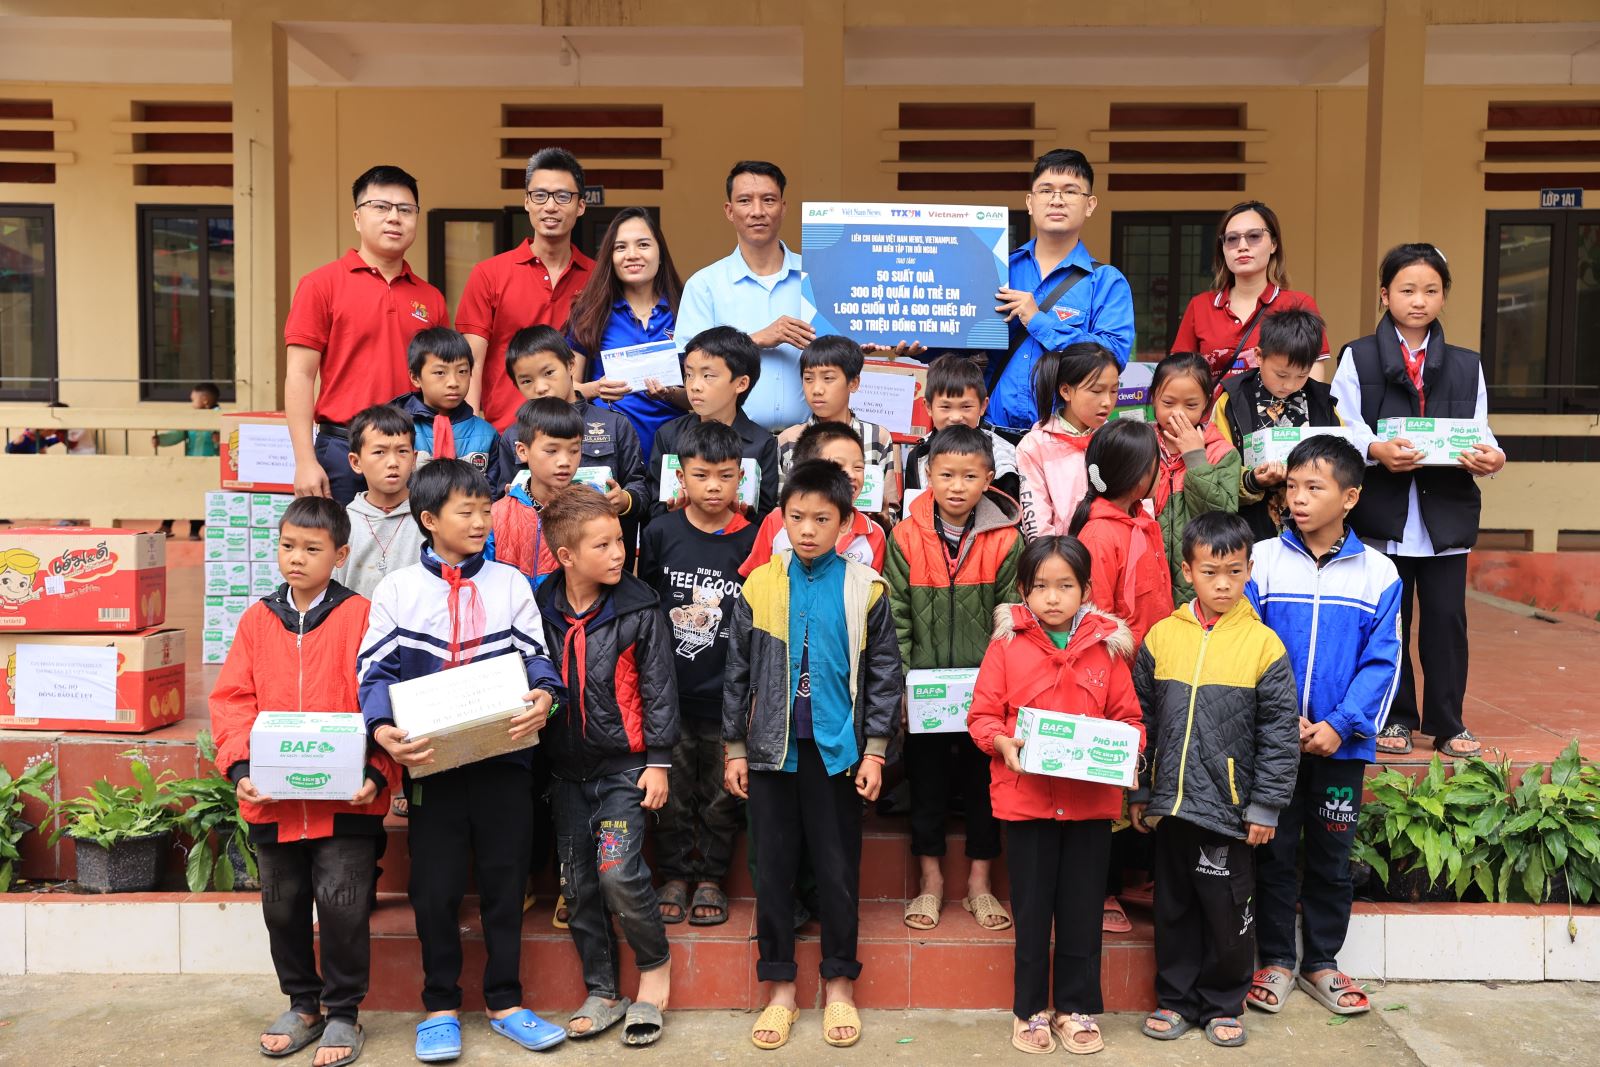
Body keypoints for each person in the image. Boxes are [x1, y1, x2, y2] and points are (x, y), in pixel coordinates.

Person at [358, 459, 566, 1060]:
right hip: (432, 767)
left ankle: (506, 1001)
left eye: (485, 509)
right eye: (465, 512)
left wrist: (545, 698)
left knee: (505, 885)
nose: (481, 521)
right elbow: (375, 672)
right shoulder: (398, 589)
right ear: (429, 520)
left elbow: (537, 659)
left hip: (505, 763)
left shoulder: (509, 584)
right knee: (435, 889)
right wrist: (384, 730)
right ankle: (440, 1005)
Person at [210, 496, 396, 1067]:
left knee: (342, 907)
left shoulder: (362, 615)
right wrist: (241, 769)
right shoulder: (257, 619)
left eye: (312, 550)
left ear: (340, 555)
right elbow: (233, 700)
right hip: (275, 801)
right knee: (282, 907)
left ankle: (343, 1012)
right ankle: (303, 1002)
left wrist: (375, 771)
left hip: (346, 801)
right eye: (288, 546)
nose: (297, 559)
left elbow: (383, 696)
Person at [723, 460, 901, 1051]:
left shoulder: (865, 588)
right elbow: (737, 676)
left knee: (837, 873)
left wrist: (874, 752)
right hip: (773, 754)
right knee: (772, 872)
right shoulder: (760, 585)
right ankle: (779, 989)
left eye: (822, 519)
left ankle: (839, 983)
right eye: (796, 517)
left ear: (846, 523)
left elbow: (883, 678)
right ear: (780, 518)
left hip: (837, 754)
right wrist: (734, 748)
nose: (807, 529)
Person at [966, 536, 1144, 1056]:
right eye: (1040, 586)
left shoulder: (1108, 649)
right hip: (1026, 801)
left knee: (1083, 908)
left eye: (1065, 586)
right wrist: (1002, 741)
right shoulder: (1006, 646)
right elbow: (981, 716)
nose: (1052, 597)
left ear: (1086, 590)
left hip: (1090, 805)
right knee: (1034, 907)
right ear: (1023, 591)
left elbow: (1129, 719)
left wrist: (1127, 753)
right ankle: (1029, 1010)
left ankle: (1075, 1006)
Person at [1244, 436, 1402, 1021]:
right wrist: (1282, 723)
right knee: (1277, 851)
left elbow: (1382, 664)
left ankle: (1323, 964)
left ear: (1351, 497)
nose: (1299, 499)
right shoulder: (1261, 560)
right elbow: (1250, 646)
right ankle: (1278, 959)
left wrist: (1341, 725)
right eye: (1292, 487)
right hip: (1277, 745)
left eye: (1315, 488)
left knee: (1333, 854)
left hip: (1340, 746)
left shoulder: (1379, 574)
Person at [1130, 511, 1301, 1050]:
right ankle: (1175, 1000)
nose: (1222, 584)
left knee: (1228, 912)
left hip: (1229, 813)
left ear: (1250, 569)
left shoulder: (1264, 646)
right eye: (1210, 572)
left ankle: (1224, 1002)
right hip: (1170, 807)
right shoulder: (1160, 638)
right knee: (1173, 906)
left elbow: (1279, 736)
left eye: (1233, 571)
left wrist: (1265, 807)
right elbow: (1142, 721)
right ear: (1187, 572)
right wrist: (1139, 790)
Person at [1331, 243, 1505, 761]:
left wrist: (1492, 457)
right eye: (1407, 290)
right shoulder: (1357, 356)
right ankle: (1396, 717)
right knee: (1390, 620)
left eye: (1431, 290)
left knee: (1447, 623)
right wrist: (1375, 450)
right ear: (1385, 295)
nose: (1418, 300)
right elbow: (1344, 426)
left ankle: (1449, 723)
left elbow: (1480, 430)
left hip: (1444, 517)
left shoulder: (1465, 364)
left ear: (1443, 297)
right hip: (1382, 512)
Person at [535, 488, 677, 1047]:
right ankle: (601, 989)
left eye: (619, 540)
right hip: (565, 771)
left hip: (626, 769)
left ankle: (654, 966)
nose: (619, 552)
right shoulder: (538, 605)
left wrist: (659, 762)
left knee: (617, 872)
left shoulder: (640, 607)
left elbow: (659, 690)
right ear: (566, 556)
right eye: (603, 545)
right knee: (579, 883)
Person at [885, 425, 1022, 934]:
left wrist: (1000, 689)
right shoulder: (904, 535)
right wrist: (901, 683)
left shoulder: (1007, 539)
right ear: (928, 475)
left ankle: (980, 883)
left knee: (984, 785)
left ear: (989, 478)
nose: (958, 486)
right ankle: (931, 880)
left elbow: (1012, 617)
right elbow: (896, 614)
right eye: (946, 475)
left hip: (986, 693)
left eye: (970, 476)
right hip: (925, 694)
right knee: (928, 784)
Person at [638, 420, 759, 927]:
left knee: (719, 793)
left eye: (725, 476)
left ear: (741, 479)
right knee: (672, 787)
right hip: (672, 694)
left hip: (727, 694)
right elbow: (645, 606)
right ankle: (672, 874)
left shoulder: (752, 537)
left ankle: (710, 875)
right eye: (702, 475)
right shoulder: (661, 532)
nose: (713, 487)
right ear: (680, 477)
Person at [286, 165, 448, 504]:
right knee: (342, 553)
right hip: (343, 449)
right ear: (358, 218)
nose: (394, 218)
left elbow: (441, 381)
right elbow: (300, 375)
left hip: (412, 451)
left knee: (412, 554)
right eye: (381, 207)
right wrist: (304, 461)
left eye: (405, 210)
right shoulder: (320, 285)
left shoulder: (431, 298)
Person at [989, 149, 1135, 435]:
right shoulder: (998, 270)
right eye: (1046, 190)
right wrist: (923, 348)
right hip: (991, 437)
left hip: (1066, 442)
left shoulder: (1106, 282)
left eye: (1070, 191)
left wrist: (1038, 320)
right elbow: (967, 341)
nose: (1056, 199)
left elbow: (1112, 356)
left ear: (1090, 205)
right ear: (1030, 202)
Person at [457, 147, 594, 431]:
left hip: (575, 435)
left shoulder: (598, 278)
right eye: (540, 195)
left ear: (580, 205)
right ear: (527, 202)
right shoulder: (489, 274)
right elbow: (472, 362)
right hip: (504, 432)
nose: (551, 206)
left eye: (563, 196)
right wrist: (469, 432)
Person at [675, 161, 813, 431]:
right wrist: (755, 340)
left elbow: (842, 350)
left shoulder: (816, 278)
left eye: (769, 200)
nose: (757, 211)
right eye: (745, 201)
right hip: (730, 441)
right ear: (729, 210)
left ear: (783, 208)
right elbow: (690, 366)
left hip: (807, 440)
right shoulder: (704, 285)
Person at [500, 325, 647, 569]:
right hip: (535, 562)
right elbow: (500, 497)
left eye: (548, 372)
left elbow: (640, 486)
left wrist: (625, 500)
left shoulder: (614, 424)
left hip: (601, 564)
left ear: (570, 365)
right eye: (527, 380)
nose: (540, 387)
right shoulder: (514, 436)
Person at [565, 206, 689, 459]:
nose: (631, 255)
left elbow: (704, 397)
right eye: (620, 247)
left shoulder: (686, 308)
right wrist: (596, 389)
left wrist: (670, 393)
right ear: (610, 257)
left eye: (643, 244)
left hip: (675, 449)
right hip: (607, 448)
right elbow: (567, 389)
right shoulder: (590, 312)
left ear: (660, 253)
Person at [1212, 308, 1345, 541]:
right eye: (1281, 375)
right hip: (1248, 531)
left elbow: (1346, 462)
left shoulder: (1322, 403)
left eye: (1301, 375)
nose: (1290, 385)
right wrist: (1253, 480)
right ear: (1259, 355)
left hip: (1312, 532)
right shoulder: (1233, 400)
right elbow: (1217, 469)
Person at [1172, 201, 1331, 394]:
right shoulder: (1200, 305)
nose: (1242, 246)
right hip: (1212, 422)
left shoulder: (1298, 304)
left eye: (1254, 236)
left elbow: (1312, 373)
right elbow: (1179, 374)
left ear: (1274, 244)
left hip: (1276, 422)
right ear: (1222, 248)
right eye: (1231, 239)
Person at [647, 326, 779, 522]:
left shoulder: (762, 443)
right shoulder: (668, 435)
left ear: (741, 383)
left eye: (708, 376)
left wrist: (740, 516)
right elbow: (653, 506)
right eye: (689, 375)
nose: (694, 386)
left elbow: (765, 517)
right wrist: (671, 512)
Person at [1069, 419, 1173, 645]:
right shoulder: (1099, 536)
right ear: (1137, 476)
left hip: (1154, 659)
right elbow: (1097, 621)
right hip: (1124, 668)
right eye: (1157, 464)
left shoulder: (1141, 521)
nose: (1162, 471)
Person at [776, 335, 901, 521]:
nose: (817, 389)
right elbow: (781, 507)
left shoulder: (878, 437)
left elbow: (891, 509)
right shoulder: (789, 439)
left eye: (828, 378)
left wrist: (883, 518)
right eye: (808, 378)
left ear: (853, 383)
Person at [1147, 353, 1240, 603]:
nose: (1178, 414)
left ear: (1206, 405)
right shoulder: (1139, 447)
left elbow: (1222, 517)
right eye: (1168, 403)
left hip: (1196, 586)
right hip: (1146, 579)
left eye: (1190, 406)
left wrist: (1196, 459)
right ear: (1153, 397)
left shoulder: (1221, 453)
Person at [741, 422, 886, 576]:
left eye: (858, 467)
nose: (851, 475)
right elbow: (754, 579)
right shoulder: (776, 520)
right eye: (838, 465)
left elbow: (873, 593)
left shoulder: (873, 534)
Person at [1015, 342, 1121, 539]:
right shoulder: (1035, 446)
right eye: (1097, 391)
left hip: (1116, 556)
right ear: (1066, 391)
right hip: (1061, 561)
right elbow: (1036, 521)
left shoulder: (1118, 439)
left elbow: (1140, 504)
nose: (1107, 401)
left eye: (1114, 390)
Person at [396, 326, 513, 492]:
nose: (453, 382)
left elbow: (492, 493)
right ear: (415, 377)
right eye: (440, 372)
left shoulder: (487, 434)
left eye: (462, 371)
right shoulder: (398, 428)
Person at [333, 404, 424, 600]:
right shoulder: (341, 524)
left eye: (402, 451)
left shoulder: (429, 520)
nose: (393, 462)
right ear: (356, 462)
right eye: (379, 452)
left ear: (414, 459)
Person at [490, 397, 582, 590]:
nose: (565, 461)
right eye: (551, 451)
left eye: (574, 450)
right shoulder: (498, 514)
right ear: (522, 451)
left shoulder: (591, 511)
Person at [903, 354, 1019, 502]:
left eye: (966, 407)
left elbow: (1009, 511)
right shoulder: (919, 454)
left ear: (983, 406)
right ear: (928, 407)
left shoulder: (1002, 455)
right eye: (945, 407)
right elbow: (912, 507)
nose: (956, 416)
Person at [155, 381, 222, 539]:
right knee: (178, 493)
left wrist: (219, 440)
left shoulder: (220, 417)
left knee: (199, 498)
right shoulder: (192, 418)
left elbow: (228, 441)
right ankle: (166, 525)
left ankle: (194, 529)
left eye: (193, 400)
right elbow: (178, 434)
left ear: (205, 400)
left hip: (209, 466)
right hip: (190, 465)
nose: (192, 404)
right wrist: (161, 440)